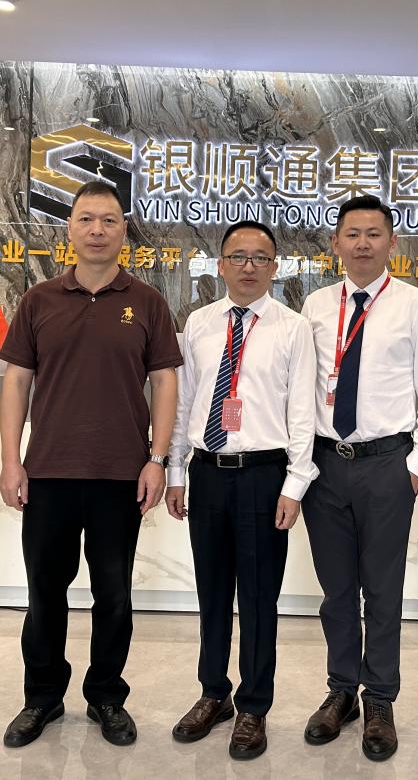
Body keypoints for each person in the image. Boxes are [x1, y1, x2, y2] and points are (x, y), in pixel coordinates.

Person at [0, 180, 182, 749]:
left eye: (108, 220)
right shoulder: (39, 299)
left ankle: (106, 695)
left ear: (124, 230)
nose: (97, 230)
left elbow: (165, 382)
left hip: (119, 475)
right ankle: (42, 697)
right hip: (48, 473)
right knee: (44, 593)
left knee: (114, 595)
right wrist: (11, 461)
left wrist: (157, 458)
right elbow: (16, 381)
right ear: (70, 228)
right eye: (86, 219)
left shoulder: (147, 301)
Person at [299, 195, 418, 762]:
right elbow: (302, 390)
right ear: (335, 242)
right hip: (325, 464)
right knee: (337, 590)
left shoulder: (416, 306)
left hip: (388, 464)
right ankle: (342, 690)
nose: (362, 243)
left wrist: (415, 467)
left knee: (382, 590)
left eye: (374, 233)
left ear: (392, 242)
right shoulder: (315, 306)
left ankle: (380, 697)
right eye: (352, 234)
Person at [166, 220, 317, 760]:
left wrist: (295, 484)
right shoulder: (199, 323)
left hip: (263, 474)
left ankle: (254, 705)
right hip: (207, 472)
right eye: (238, 256)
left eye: (260, 258)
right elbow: (185, 402)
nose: (249, 266)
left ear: (275, 267)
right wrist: (177, 471)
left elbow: (302, 412)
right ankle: (214, 694)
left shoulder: (293, 328)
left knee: (257, 597)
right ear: (220, 264)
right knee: (211, 593)